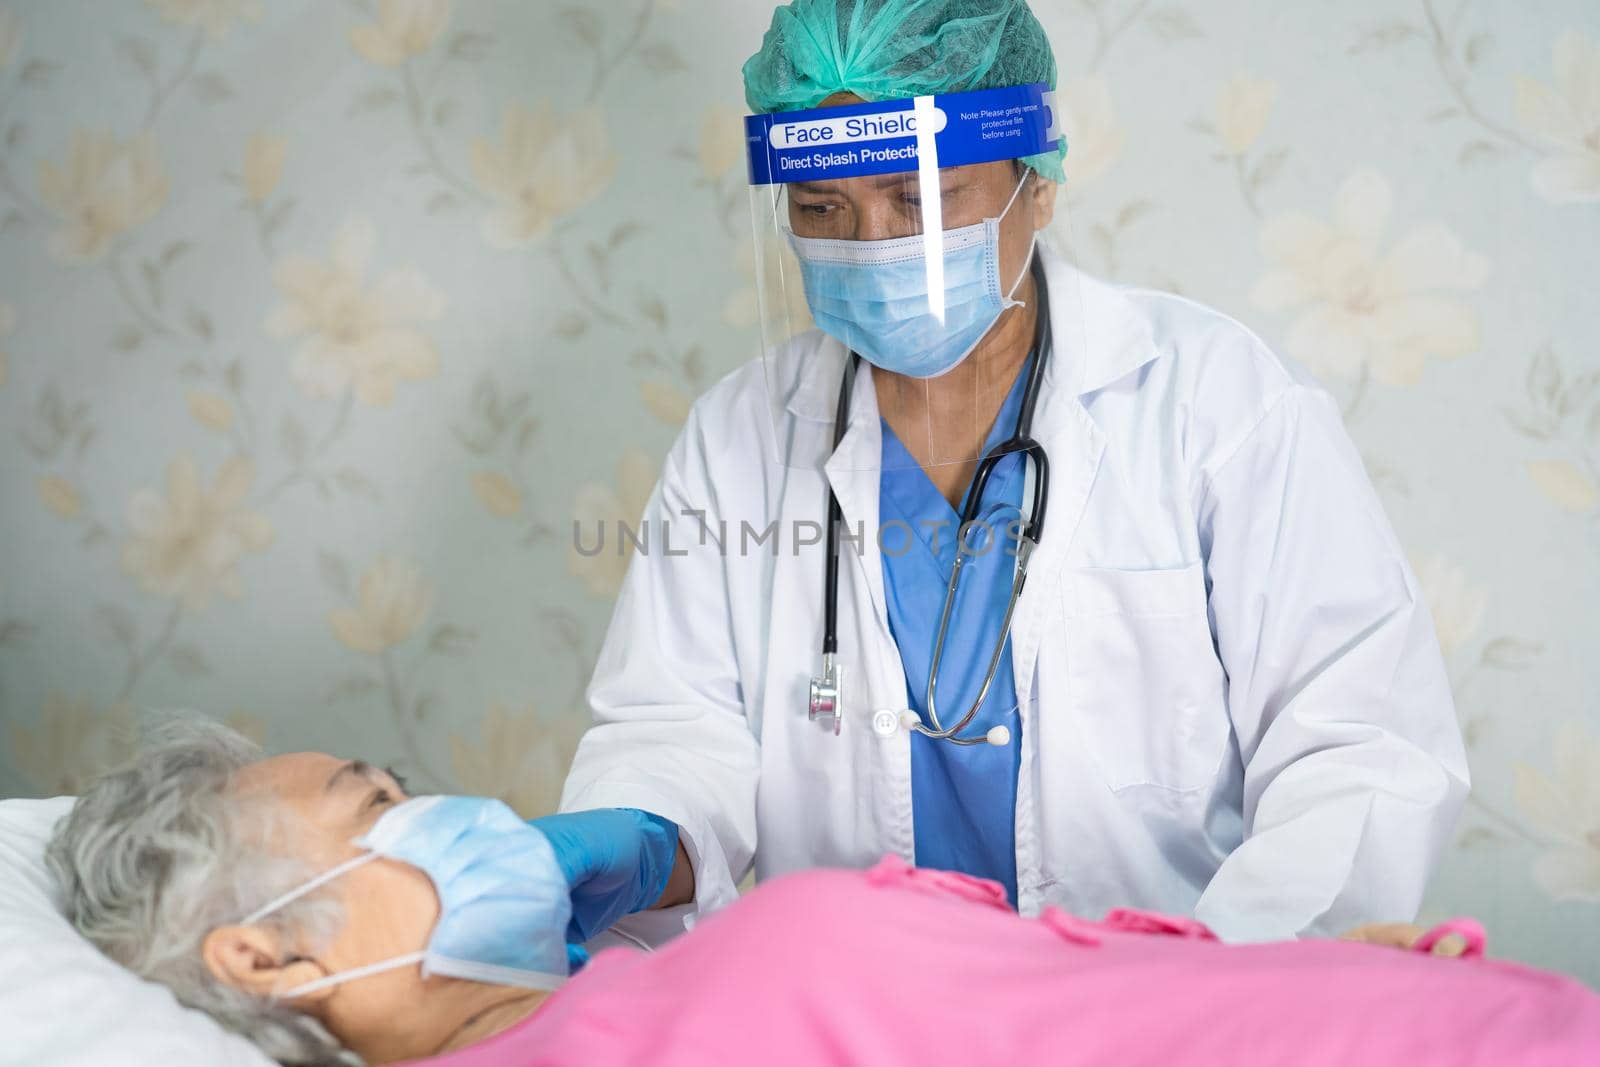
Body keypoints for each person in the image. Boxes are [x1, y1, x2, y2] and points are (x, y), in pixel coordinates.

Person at [537, 0, 1469, 953]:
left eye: (922, 198)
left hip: (1173, 1010)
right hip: (863, 1017)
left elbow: (1359, 750)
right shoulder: (736, 438)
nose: (874, 244)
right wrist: (645, 836)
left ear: (1039, 180)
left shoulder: (1217, 407)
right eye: (822, 206)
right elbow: (674, 728)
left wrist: (1212, 986)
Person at [45, 723, 1600, 1067]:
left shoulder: (624, 996)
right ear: (265, 951)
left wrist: (1271, 971)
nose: (455, 809)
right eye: (379, 803)